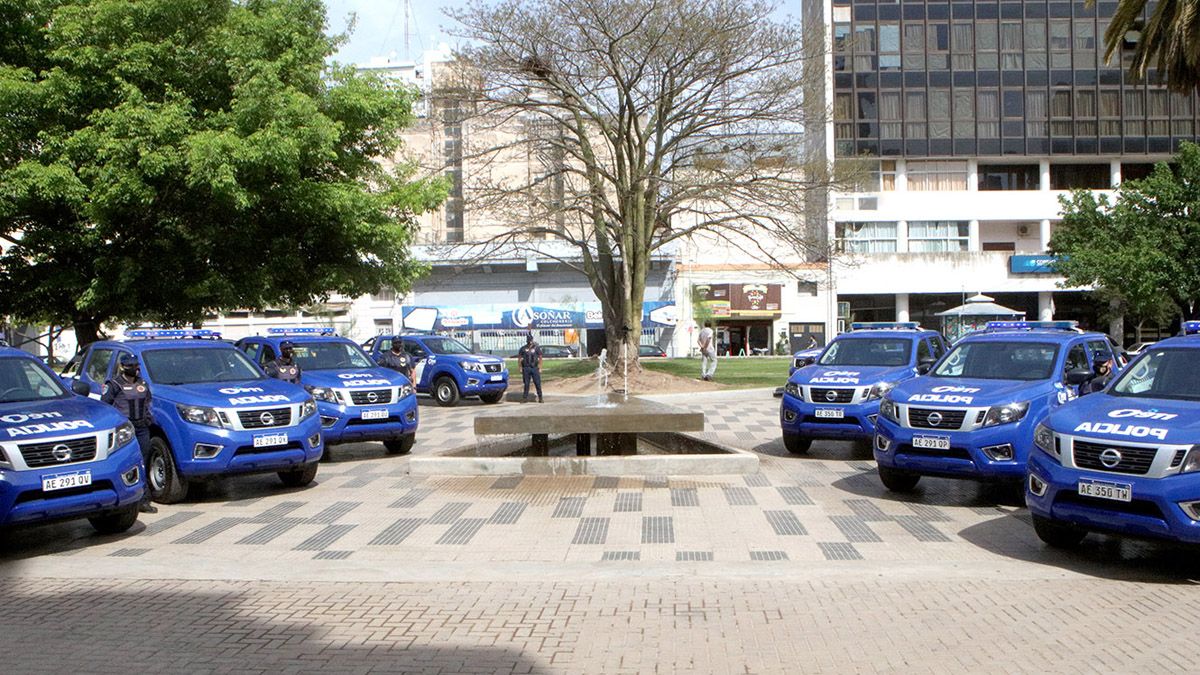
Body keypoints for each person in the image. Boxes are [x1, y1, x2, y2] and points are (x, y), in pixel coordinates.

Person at [102, 354, 157, 513]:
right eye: (131, 366)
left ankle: (144, 500)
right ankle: (128, 499)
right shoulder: (114, 384)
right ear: (123, 367)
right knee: (127, 463)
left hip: (142, 428)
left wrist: (148, 419)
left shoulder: (143, 384)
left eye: (136, 365)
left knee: (143, 462)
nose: (135, 368)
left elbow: (148, 402)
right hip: (125, 430)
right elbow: (104, 406)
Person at [518, 333, 543, 403]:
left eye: (530, 340)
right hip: (526, 368)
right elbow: (519, 358)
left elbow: (540, 357)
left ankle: (540, 397)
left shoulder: (536, 348)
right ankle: (525, 398)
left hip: (534, 368)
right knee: (526, 384)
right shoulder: (523, 348)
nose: (530, 342)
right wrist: (520, 367)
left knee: (537, 383)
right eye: (528, 340)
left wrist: (540, 367)